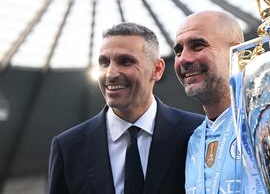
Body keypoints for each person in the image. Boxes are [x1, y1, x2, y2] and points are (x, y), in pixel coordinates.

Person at [47, 22, 203, 194]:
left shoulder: (197, 133)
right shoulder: (68, 147)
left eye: (125, 62)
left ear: (157, 69)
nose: (110, 74)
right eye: (104, 62)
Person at [173, 10, 245, 193]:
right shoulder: (193, 140)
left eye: (197, 46)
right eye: (178, 50)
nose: (184, 59)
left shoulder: (263, 123)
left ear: (236, 53)